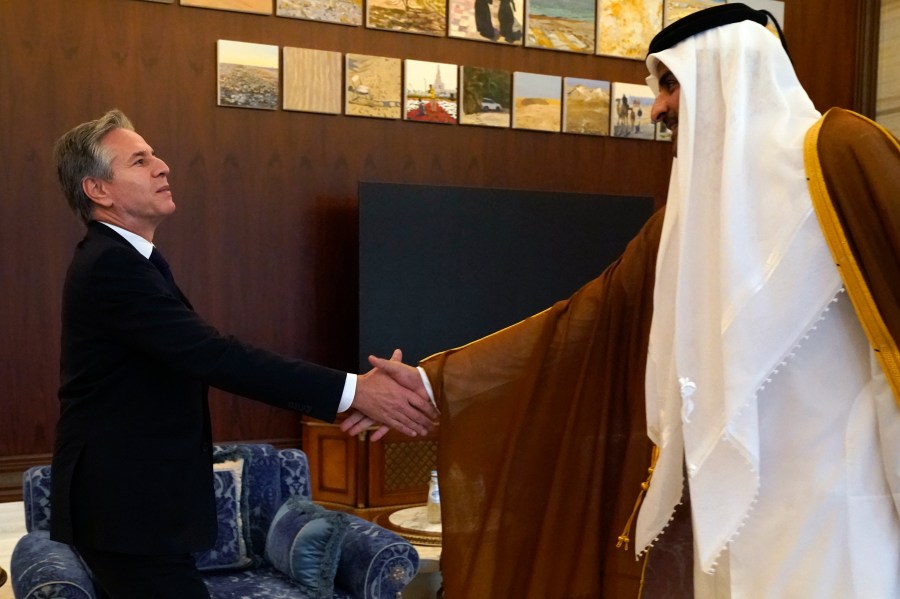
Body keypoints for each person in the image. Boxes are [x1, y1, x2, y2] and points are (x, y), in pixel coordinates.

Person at [346, 4, 900, 597]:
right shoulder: (683, 222)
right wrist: (435, 385)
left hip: (839, 511)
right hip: (727, 516)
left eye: (670, 82)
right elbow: (581, 325)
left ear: (728, 70)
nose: (657, 106)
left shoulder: (841, 151)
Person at [50, 109, 438, 599]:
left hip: (136, 506)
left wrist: (353, 397)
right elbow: (213, 355)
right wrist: (355, 390)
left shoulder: (129, 259)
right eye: (140, 161)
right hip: (126, 509)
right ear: (99, 190)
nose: (163, 166)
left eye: (155, 155)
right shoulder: (111, 266)